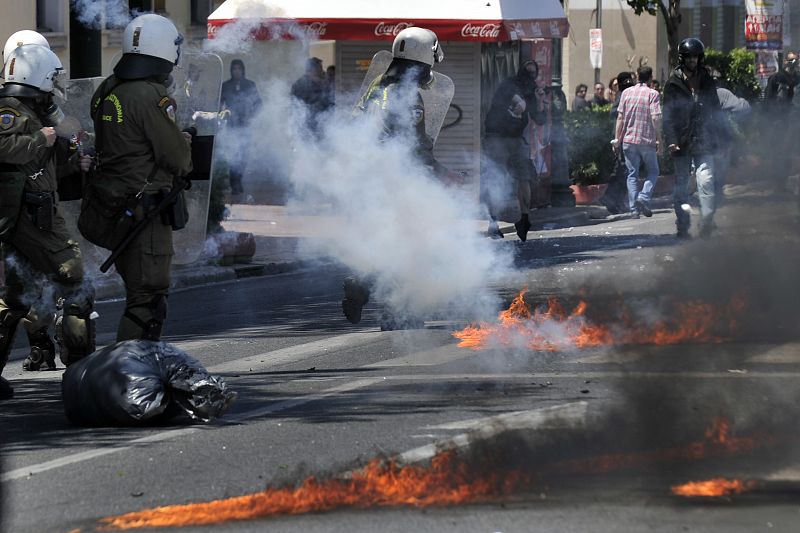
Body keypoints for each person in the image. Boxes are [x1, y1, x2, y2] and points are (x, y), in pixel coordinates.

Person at [86, 13, 192, 342]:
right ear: (163, 49)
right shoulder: (151, 97)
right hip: (144, 211)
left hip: (110, 205)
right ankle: (132, 374)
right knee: (148, 298)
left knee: (139, 291)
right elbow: (179, 160)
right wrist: (183, 142)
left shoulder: (108, 88)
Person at [0, 44, 95, 399]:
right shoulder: (10, 111)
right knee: (75, 280)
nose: (55, 84)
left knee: (15, 298)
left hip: (30, 213)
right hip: (31, 217)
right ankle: (84, 377)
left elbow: (40, 170)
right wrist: (40, 137)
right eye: (51, 77)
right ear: (36, 75)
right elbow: (5, 149)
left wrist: (73, 164)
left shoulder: (32, 110)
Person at [342, 27, 452, 327]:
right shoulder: (410, 96)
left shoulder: (379, 83)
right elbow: (416, 146)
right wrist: (444, 174)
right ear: (420, 61)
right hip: (395, 177)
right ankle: (398, 311)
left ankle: (360, 284)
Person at [2, 30, 63, 372]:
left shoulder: (46, 104)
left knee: (35, 283)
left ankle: (47, 349)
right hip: (19, 209)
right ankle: (42, 346)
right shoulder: (8, 109)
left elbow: (64, 148)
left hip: (45, 202)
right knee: (19, 287)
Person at [663, 37, 721, 239]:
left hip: (704, 138)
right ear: (682, 59)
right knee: (681, 184)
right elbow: (668, 115)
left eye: (696, 57)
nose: (693, 61)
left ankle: (707, 221)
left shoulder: (706, 80)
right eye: (689, 57)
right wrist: (671, 139)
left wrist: (718, 133)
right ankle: (683, 223)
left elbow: (715, 108)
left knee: (705, 181)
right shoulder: (672, 83)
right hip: (681, 140)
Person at [481, 59, 545, 241]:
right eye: (528, 73)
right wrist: (525, 99)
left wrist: (539, 101)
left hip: (516, 139)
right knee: (495, 178)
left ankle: (524, 219)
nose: (530, 77)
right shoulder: (509, 85)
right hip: (496, 137)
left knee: (524, 177)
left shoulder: (532, 91)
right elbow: (514, 99)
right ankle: (493, 223)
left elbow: (539, 120)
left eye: (533, 73)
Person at [614, 66, 663, 218]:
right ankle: (644, 196)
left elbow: (620, 118)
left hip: (628, 140)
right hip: (646, 139)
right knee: (653, 171)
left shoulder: (626, 93)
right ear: (650, 78)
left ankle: (634, 209)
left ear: (636, 76)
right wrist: (659, 139)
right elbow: (655, 117)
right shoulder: (653, 94)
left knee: (632, 174)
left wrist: (617, 139)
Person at [220, 58, 261, 202]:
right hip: (231, 124)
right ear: (231, 71)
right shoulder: (226, 85)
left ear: (243, 70)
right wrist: (221, 116)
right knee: (233, 154)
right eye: (234, 69)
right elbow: (220, 103)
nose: (237, 71)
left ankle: (239, 179)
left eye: (239, 69)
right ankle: (234, 183)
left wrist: (252, 116)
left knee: (243, 155)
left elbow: (258, 103)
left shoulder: (250, 85)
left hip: (245, 124)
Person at [599, 71, 635, 215]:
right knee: (623, 170)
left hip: (625, 138)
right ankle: (610, 198)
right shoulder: (622, 96)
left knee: (625, 171)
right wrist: (617, 139)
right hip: (621, 139)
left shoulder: (625, 94)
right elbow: (614, 114)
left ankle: (616, 201)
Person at [763, 51, 799, 192]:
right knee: (778, 153)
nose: (793, 63)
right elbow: (768, 100)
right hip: (778, 122)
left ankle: (782, 183)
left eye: (795, 60)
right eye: (790, 60)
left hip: (793, 122)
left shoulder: (798, 79)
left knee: (789, 152)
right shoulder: (776, 79)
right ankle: (778, 184)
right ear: (785, 62)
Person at [291, 57, 334, 134]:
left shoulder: (321, 83)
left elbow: (329, 101)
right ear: (312, 70)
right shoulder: (300, 85)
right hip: (308, 126)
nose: (322, 71)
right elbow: (299, 105)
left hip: (322, 123)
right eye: (320, 68)